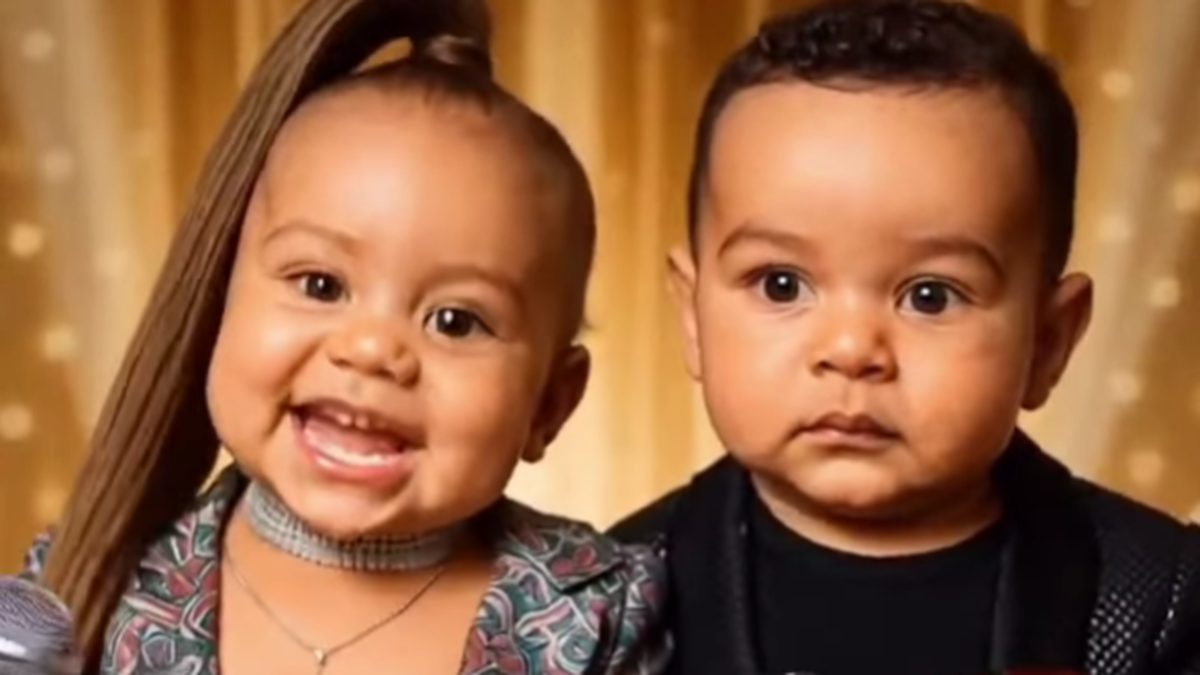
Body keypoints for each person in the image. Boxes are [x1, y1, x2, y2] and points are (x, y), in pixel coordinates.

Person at [19, 0, 668, 672]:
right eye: (320, 285)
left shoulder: (593, 615)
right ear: (217, 304)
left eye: (455, 320)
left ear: (550, 404)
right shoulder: (83, 591)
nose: (371, 350)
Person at [611, 1, 1200, 674]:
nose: (851, 350)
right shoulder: (612, 604)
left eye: (930, 296)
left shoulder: (1157, 602)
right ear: (693, 317)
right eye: (781, 284)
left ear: (1049, 341)